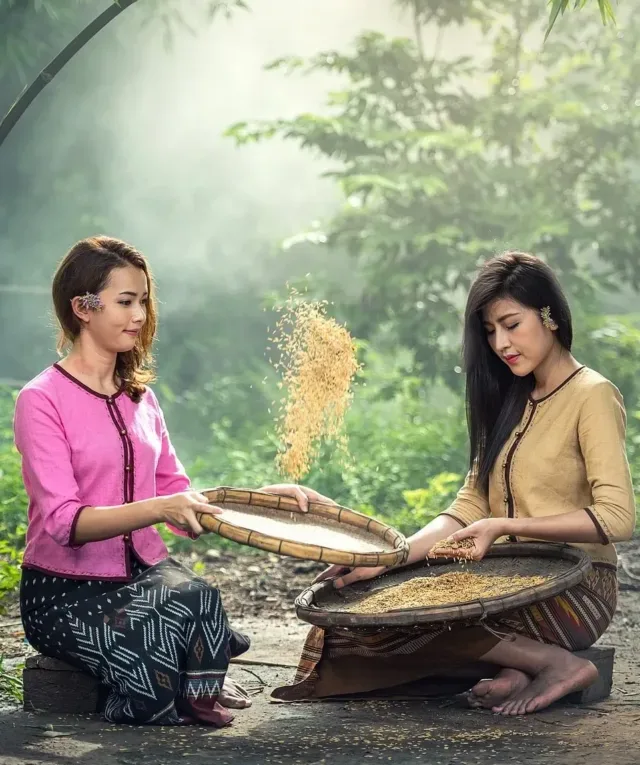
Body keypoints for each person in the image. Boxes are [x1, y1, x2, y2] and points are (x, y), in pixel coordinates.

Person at [273, 251, 635, 716]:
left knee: (416, 627)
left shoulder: (593, 395)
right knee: (356, 616)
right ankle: (514, 669)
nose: (501, 342)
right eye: (490, 331)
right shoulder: (510, 397)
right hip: (499, 581)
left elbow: (618, 517)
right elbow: (468, 506)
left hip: (574, 587)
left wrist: (500, 527)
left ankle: (556, 664)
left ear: (549, 316)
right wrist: (389, 559)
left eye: (511, 323)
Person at [15, 235, 333, 727]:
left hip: (143, 576)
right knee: (156, 682)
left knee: (199, 597)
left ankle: (187, 671)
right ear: (83, 307)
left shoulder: (141, 400)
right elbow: (64, 523)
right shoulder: (41, 400)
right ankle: (177, 674)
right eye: (126, 301)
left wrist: (259, 501)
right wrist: (161, 509)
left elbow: (177, 494)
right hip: (64, 592)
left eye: (143, 300)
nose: (140, 314)